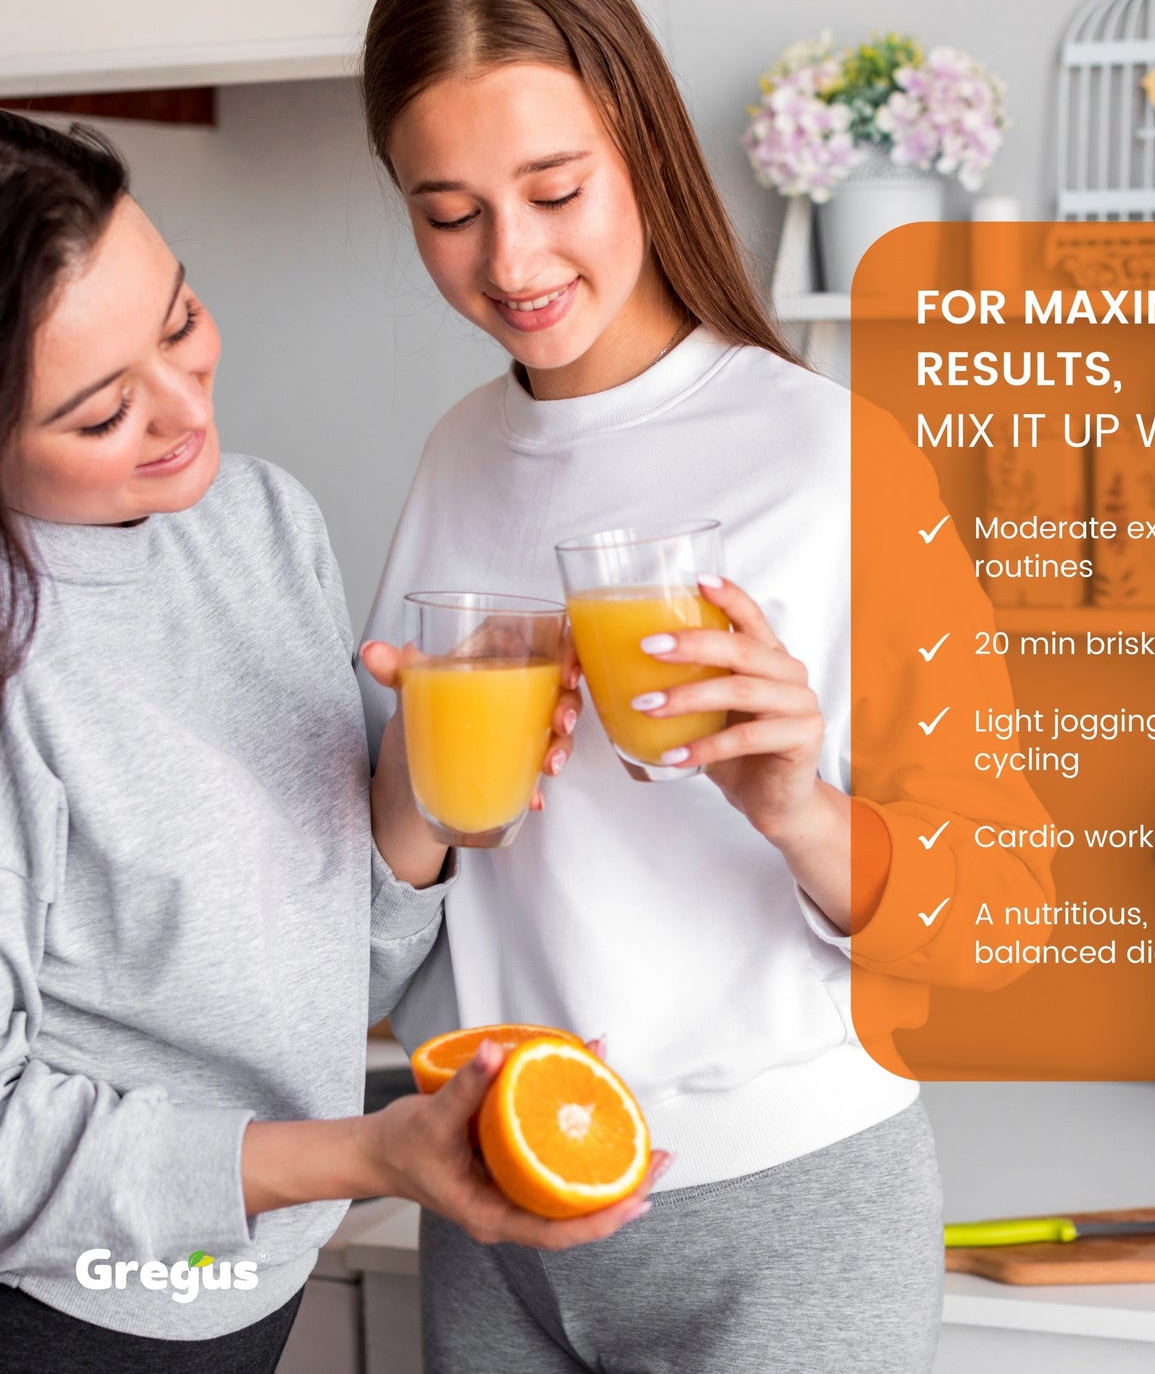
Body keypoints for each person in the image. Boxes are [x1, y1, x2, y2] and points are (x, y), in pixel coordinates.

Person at [358, 0, 1054, 1369]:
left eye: (555, 189)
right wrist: (407, 798)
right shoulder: (456, 457)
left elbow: (1008, 906)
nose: (513, 259)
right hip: (503, 1184)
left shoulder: (835, 459)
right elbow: (404, 892)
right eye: (447, 212)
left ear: (644, 147)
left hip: (783, 1213)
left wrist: (797, 806)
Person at [0, 109, 661, 1374]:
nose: (183, 407)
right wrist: (362, 1153)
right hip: (62, 1311)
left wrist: (418, 792)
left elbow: (321, 967)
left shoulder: (257, 521)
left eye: (181, 322)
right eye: (97, 417)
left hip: (246, 1273)